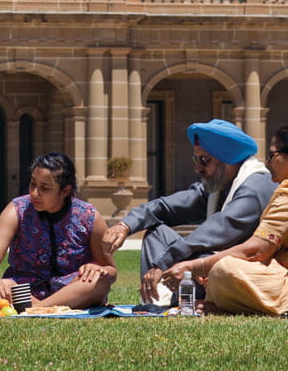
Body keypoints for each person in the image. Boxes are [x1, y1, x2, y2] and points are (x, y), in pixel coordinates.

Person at [167, 124, 288, 316]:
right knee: (225, 269)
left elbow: (256, 251)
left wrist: (195, 267)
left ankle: (227, 306)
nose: (267, 163)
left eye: (272, 155)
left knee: (224, 269)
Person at [100, 118, 277, 305]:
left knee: (198, 260)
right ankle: (157, 300)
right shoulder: (217, 186)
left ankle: (179, 298)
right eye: (196, 159)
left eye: (204, 160)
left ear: (228, 159)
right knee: (157, 234)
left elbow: (215, 232)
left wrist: (164, 263)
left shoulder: (254, 188)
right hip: (212, 266)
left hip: (241, 269)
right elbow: (164, 207)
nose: (197, 167)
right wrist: (124, 226)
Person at [0, 152, 116, 309]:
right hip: (25, 289)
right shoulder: (17, 209)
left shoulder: (89, 216)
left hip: (71, 288)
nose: (34, 193)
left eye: (44, 188)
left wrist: (98, 268)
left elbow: (111, 270)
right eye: (33, 184)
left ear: (65, 191)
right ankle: (50, 308)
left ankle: (38, 309)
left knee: (100, 282)